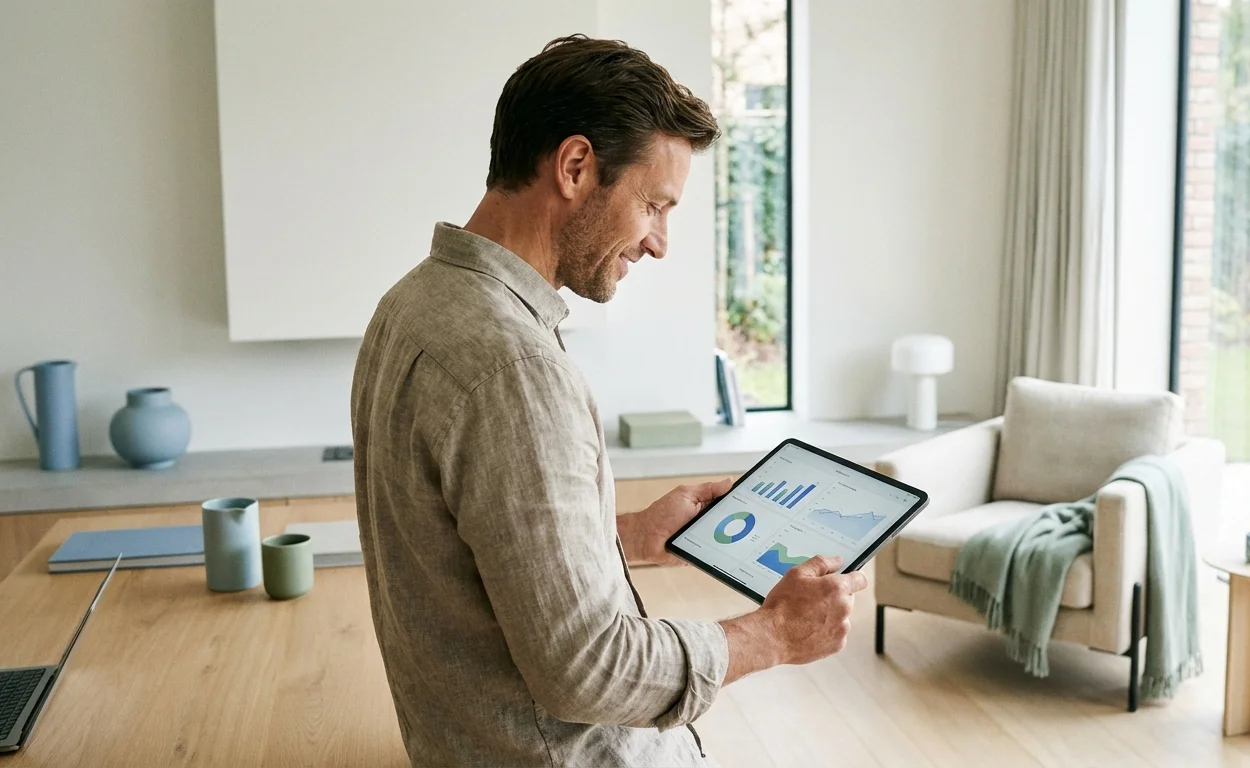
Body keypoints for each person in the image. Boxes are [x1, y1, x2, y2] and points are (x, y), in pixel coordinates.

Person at [351, 35, 866, 767]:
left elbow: (471, 552)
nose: (659, 242)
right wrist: (774, 634)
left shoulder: (412, 305)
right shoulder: (514, 367)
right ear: (575, 166)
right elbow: (586, 666)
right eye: (654, 204)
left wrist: (625, 534)